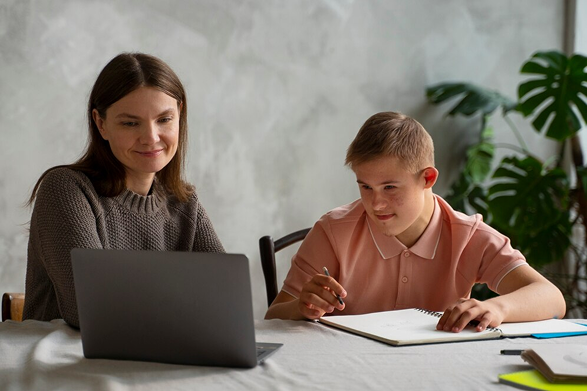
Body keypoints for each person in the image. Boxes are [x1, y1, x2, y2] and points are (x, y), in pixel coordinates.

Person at [265, 111, 566, 333]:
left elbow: (552, 298)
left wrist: (496, 307)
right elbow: (273, 316)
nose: (376, 203)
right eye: (365, 186)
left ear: (428, 178)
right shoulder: (332, 231)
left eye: (390, 188)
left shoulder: (467, 235)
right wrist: (301, 308)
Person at [23, 53, 224, 328]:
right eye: (130, 123)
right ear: (101, 123)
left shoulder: (184, 203)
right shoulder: (65, 190)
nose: (151, 137)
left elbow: (225, 302)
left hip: (156, 359)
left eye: (164, 119)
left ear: (179, 115)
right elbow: (92, 309)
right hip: (67, 364)